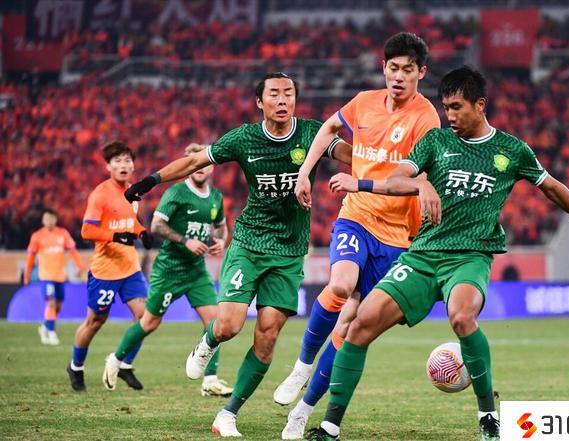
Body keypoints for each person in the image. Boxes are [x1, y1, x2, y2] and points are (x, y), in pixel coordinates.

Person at [305, 66, 569, 441]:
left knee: (462, 318)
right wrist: (419, 186)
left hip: (469, 257)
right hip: (422, 255)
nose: (450, 115)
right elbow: (396, 178)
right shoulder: (435, 142)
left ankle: (488, 415)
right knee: (360, 325)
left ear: (480, 105)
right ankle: (330, 426)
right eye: (446, 107)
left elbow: (552, 187)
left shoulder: (511, 150)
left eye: (457, 107)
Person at [124, 72, 352, 437]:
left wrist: (391, 166)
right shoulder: (244, 138)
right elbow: (194, 162)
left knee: (268, 336)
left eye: (289, 93)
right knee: (229, 326)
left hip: (289, 251)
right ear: (260, 102)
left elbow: (351, 155)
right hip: (249, 243)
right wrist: (151, 181)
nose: (283, 100)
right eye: (274, 94)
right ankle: (209, 341)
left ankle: (227, 414)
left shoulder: (313, 133)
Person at [275, 32, 441, 439]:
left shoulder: (426, 119)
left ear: (421, 73)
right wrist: (304, 172)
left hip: (398, 236)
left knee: (349, 328)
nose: (398, 76)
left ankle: (303, 411)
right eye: (392, 68)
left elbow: (416, 181)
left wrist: (368, 181)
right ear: (383, 67)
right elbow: (329, 128)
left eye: (407, 70)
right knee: (340, 284)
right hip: (356, 218)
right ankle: (301, 367)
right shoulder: (363, 101)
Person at [103, 143, 233, 397]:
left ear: (211, 167)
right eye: (194, 161)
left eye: (204, 162)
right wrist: (185, 241)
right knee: (149, 322)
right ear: (188, 166)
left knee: (216, 323)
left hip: (196, 271)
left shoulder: (216, 197)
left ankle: (210, 380)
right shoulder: (176, 193)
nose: (199, 167)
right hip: (169, 270)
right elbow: (157, 225)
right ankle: (116, 359)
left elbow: (220, 226)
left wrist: (220, 240)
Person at [67, 141, 153, 392]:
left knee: (145, 317)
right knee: (95, 321)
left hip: (131, 268)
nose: (123, 165)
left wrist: (141, 232)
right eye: (118, 161)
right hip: (105, 270)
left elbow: (128, 222)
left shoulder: (133, 193)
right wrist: (115, 237)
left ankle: (124, 364)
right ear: (108, 166)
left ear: (133, 165)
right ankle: (76, 366)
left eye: (127, 160)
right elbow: (86, 231)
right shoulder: (100, 194)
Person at [24, 208, 85, 345]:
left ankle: (45, 327)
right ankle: (51, 333)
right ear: (43, 220)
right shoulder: (37, 236)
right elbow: (31, 257)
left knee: (58, 305)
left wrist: (79, 266)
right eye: (46, 218)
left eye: (51, 218)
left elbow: (73, 251)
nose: (49, 221)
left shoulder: (63, 234)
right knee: (51, 303)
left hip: (60, 276)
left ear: (55, 219)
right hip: (46, 276)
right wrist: (27, 274)